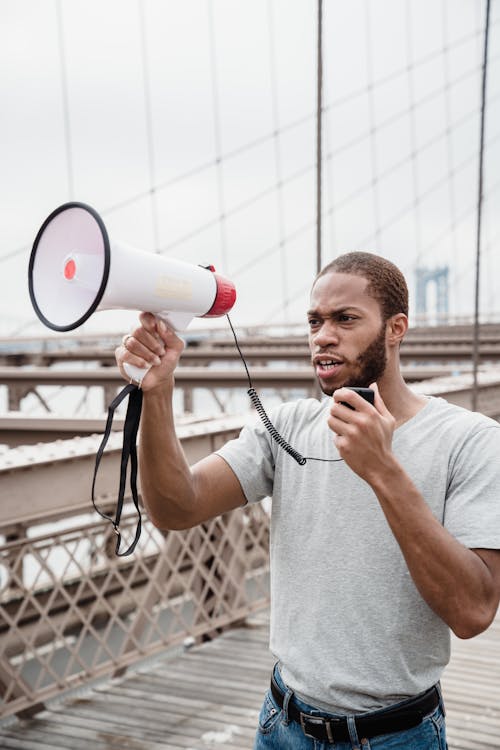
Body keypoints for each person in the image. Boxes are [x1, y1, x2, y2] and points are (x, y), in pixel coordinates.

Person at [115, 251, 500, 750]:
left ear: (396, 328)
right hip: (282, 725)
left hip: (397, 736)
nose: (323, 335)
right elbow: (177, 507)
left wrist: (383, 471)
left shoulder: (470, 440)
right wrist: (158, 392)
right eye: (314, 321)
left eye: (345, 319)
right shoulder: (287, 427)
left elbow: (473, 611)